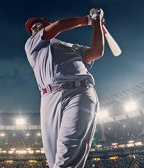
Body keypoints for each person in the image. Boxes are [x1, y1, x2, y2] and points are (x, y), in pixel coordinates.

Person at [24, 9, 105, 167]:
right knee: (53, 159)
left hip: (80, 91)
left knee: (67, 154)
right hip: (48, 98)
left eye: (37, 25)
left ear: (48, 24)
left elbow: (96, 52)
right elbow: (60, 25)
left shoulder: (73, 47)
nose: (34, 28)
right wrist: (88, 19)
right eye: (32, 28)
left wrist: (97, 25)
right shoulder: (32, 44)